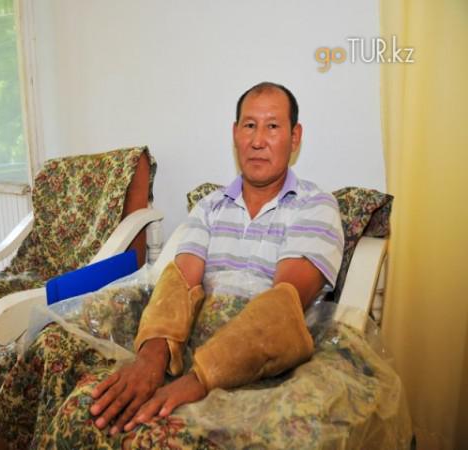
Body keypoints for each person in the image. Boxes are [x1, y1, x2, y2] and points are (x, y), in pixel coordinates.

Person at [89, 82, 344, 437]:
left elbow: (284, 307)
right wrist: (150, 361)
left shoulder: (315, 207)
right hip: (194, 342)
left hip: (267, 357)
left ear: (295, 136)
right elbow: (180, 283)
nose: (258, 140)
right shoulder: (210, 206)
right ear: (235, 133)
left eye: (272, 126)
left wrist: (198, 381)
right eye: (249, 125)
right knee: (79, 380)